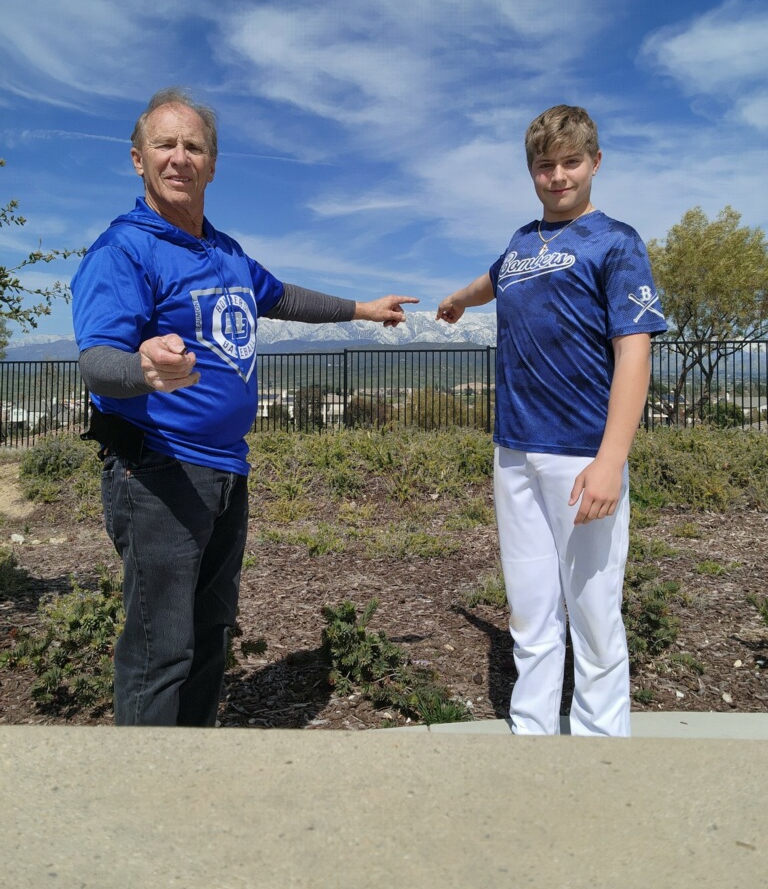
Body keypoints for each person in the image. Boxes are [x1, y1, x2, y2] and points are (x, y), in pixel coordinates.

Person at [71, 87, 418, 727]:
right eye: (165, 145)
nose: (180, 158)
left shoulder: (223, 251)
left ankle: (196, 770)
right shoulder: (124, 250)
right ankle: (142, 797)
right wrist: (144, 371)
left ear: (212, 163)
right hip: (157, 471)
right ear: (137, 159)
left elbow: (280, 295)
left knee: (209, 638)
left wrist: (361, 308)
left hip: (226, 471)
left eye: (193, 146)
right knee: (160, 650)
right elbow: (96, 359)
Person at [436, 105, 666, 736]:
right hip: (514, 450)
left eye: (571, 162)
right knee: (532, 613)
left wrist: (611, 461)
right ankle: (532, 737)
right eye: (545, 165)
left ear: (595, 162)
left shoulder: (616, 242)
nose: (558, 176)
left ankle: (600, 754)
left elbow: (635, 350)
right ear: (531, 171)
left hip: (580, 455)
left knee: (594, 615)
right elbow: (496, 277)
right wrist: (458, 298)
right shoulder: (521, 242)